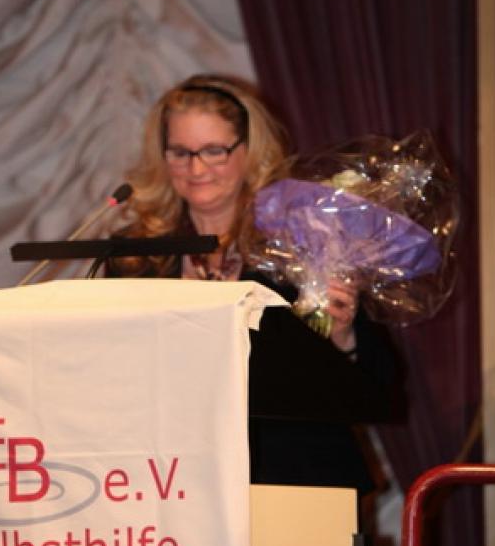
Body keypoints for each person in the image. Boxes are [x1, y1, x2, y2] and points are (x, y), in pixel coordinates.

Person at [106, 73, 404, 493]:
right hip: (173, 484)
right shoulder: (136, 258)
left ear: (249, 151)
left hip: (298, 480)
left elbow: (379, 389)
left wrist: (342, 335)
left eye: (214, 151)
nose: (196, 168)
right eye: (181, 152)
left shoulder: (307, 242)